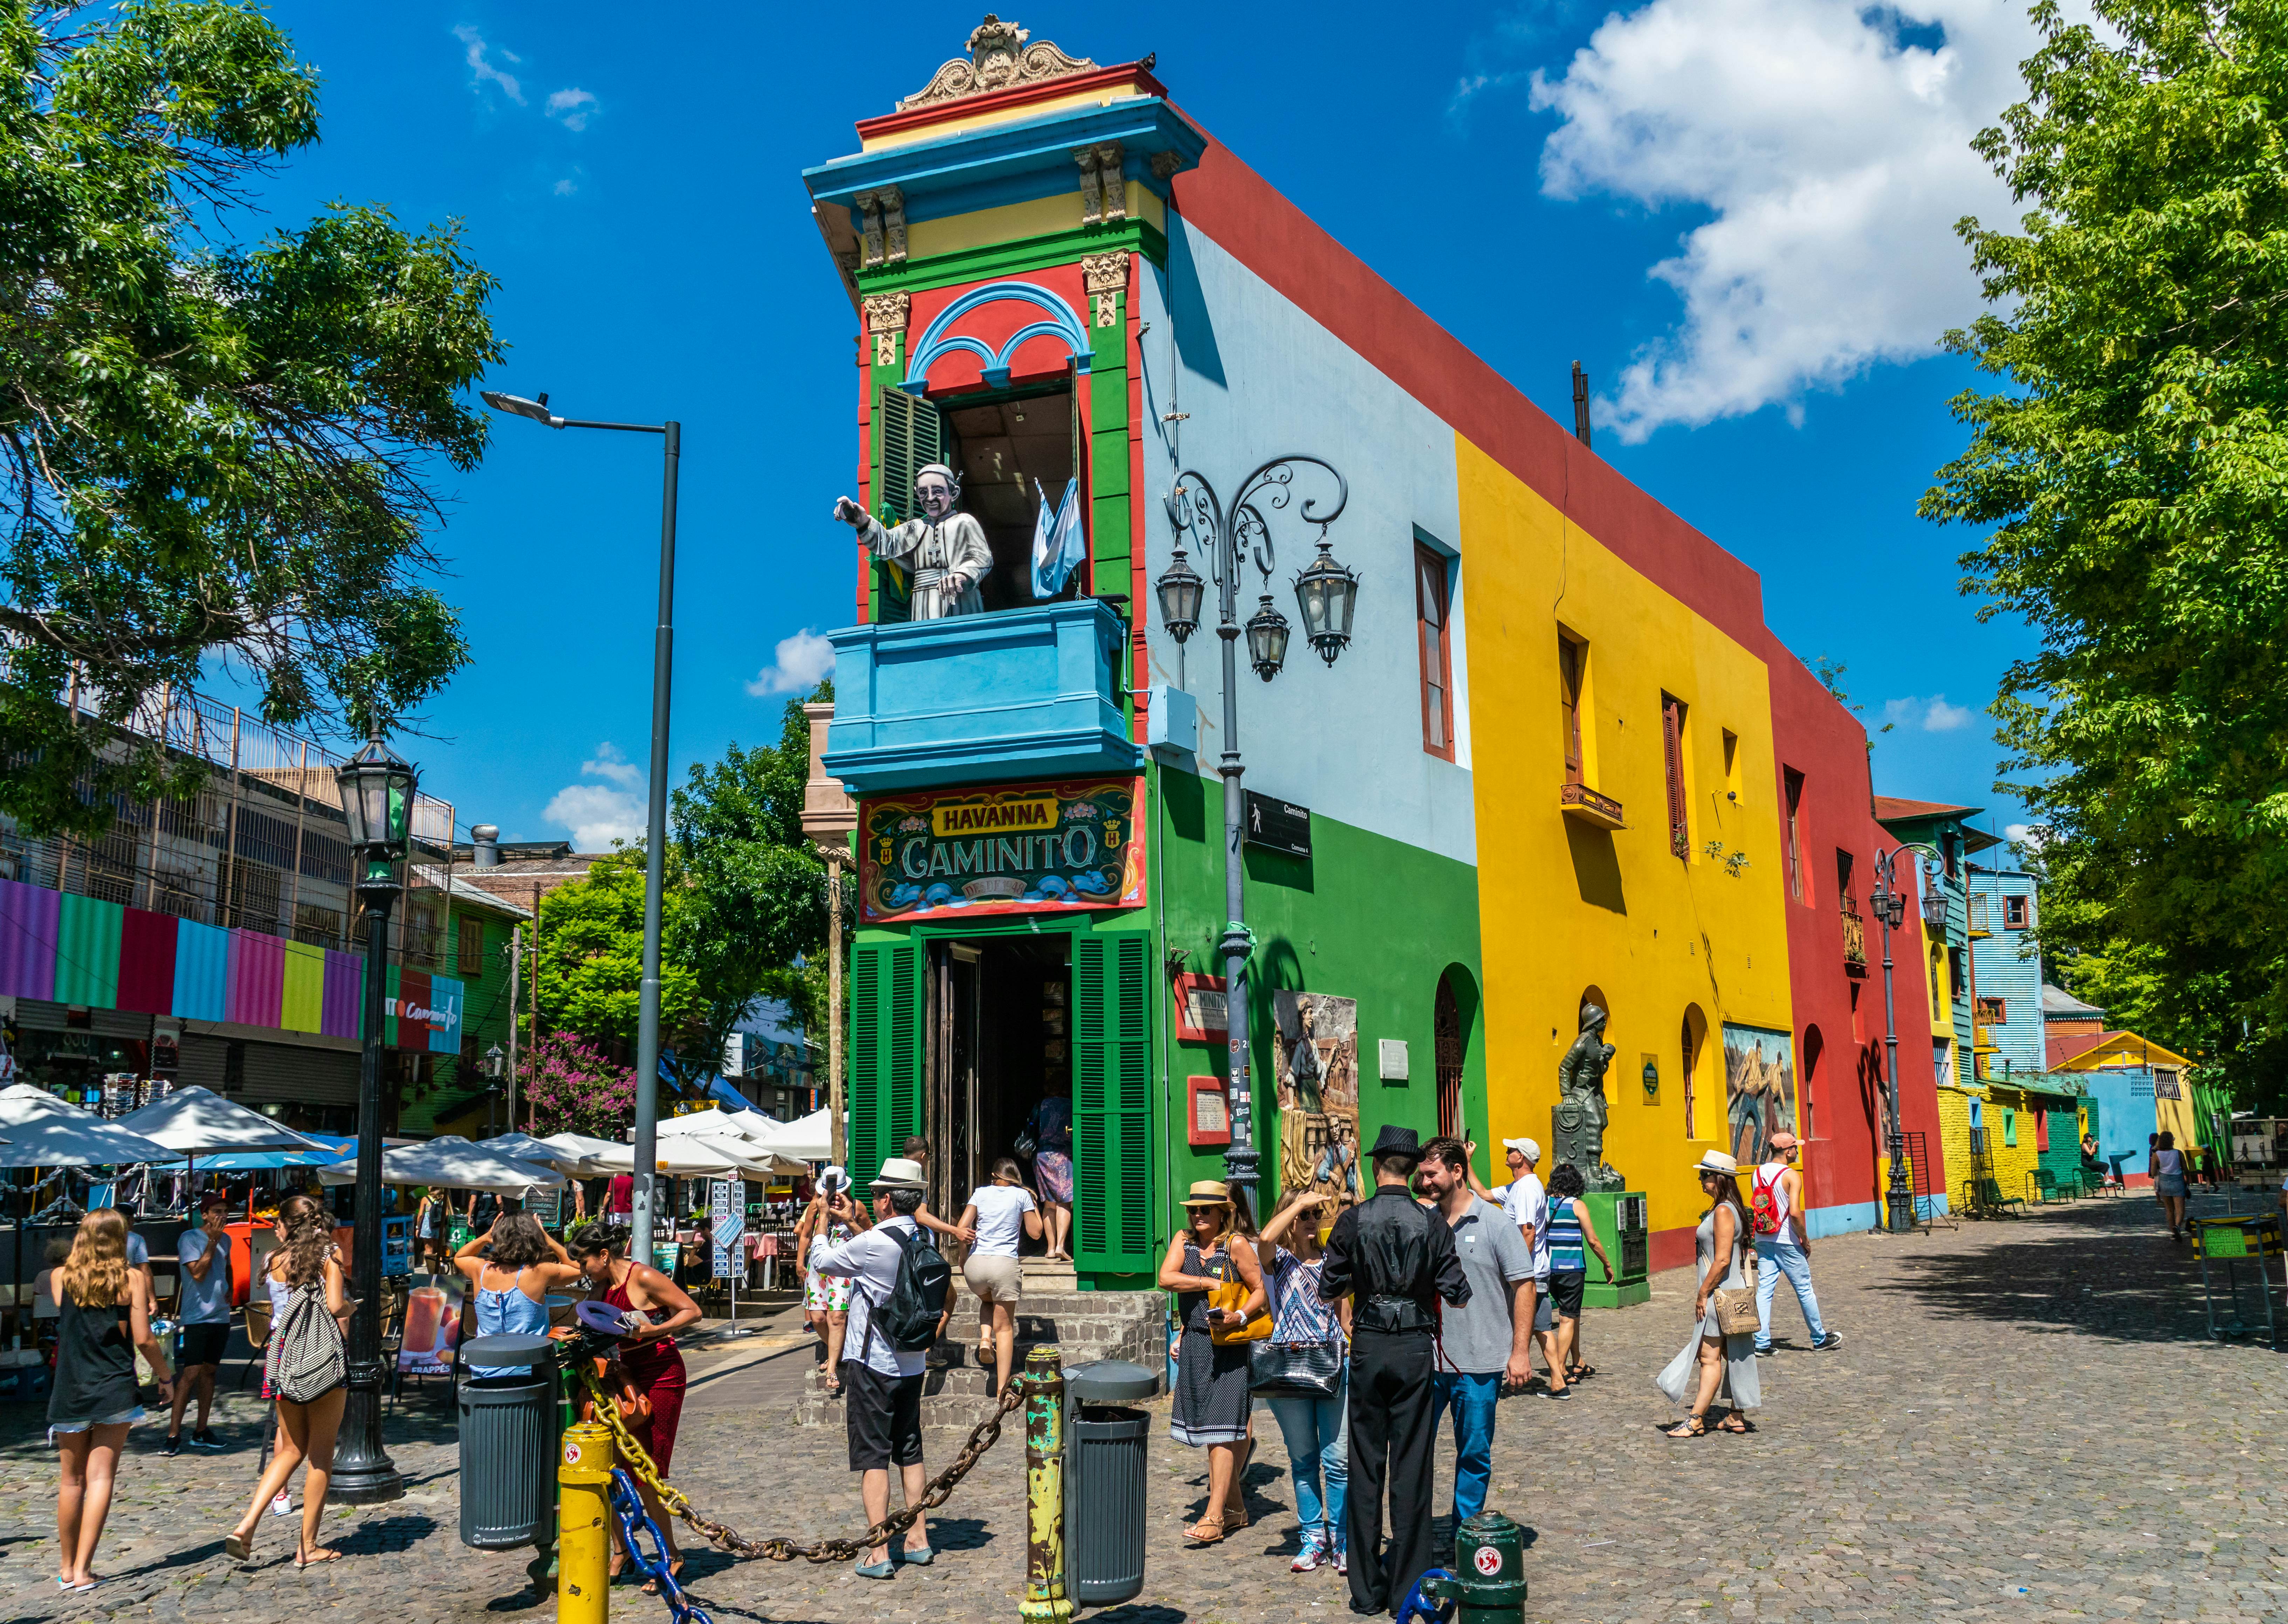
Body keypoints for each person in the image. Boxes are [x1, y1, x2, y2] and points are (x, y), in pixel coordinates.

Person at [1320, 1126, 1471, 1617]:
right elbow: (1457, 1291)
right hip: (1411, 1348)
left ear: (1376, 1164)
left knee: (1365, 1466)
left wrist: (1364, 1279)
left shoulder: (1352, 1219)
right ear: (1412, 1172)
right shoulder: (1431, 1224)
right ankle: (1407, 1587)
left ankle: (1365, 1591)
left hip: (1367, 1346)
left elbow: (1328, 1288)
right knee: (1411, 1467)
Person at [805, 1157, 941, 1578]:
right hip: (913, 1361)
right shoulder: (925, 1234)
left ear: (883, 1200)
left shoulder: (873, 1242)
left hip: (874, 1362)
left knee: (874, 1455)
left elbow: (824, 1261)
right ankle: (918, 1538)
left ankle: (879, 1550)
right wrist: (856, 1222)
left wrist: (825, 1219)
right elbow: (888, 1253)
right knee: (911, 1448)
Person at [568, 1222, 700, 1588]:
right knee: (610, 1466)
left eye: (584, 1262)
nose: (582, 1270)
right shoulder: (600, 1286)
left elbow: (692, 1311)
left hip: (661, 1372)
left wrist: (653, 1330)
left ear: (604, 1255)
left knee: (646, 1471)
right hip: (624, 1375)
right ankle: (622, 1547)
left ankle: (671, 1555)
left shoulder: (641, 1276)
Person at [49, 1208, 174, 1592]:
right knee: (100, 1476)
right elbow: (143, 1338)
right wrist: (166, 1377)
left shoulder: (61, 1277)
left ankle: (67, 1568)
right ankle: (86, 1569)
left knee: (70, 1480)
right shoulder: (132, 1279)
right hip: (114, 1384)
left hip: (70, 1386)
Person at [1418, 1136, 1535, 1544]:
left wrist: (1520, 1352)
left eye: (1432, 1174)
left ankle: (1463, 1538)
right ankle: (1416, 1534)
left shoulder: (1495, 1222)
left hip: (1480, 1362)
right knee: (1415, 1452)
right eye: (1421, 1174)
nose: (1426, 1181)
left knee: (1473, 1455)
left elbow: (1524, 1285)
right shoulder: (1425, 1221)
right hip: (1427, 1361)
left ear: (1456, 1170)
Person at [226, 1194, 347, 1567]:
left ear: (285, 1224)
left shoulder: (273, 1259)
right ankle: (307, 1546)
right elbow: (337, 1305)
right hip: (320, 1357)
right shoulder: (330, 1255)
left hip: (281, 1358)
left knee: (290, 1448)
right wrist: (354, 1305)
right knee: (321, 1455)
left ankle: (247, 1523)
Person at [1157, 1180, 1266, 1546]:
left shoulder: (1236, 1244)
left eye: (1206, 1209)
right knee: (1209, 1432)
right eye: (1194, 1209)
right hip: (1195, 1346)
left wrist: (1239, 1315)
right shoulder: (1183, 1240)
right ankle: (1236, 1509)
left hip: (1230, 1348)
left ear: (1224, 1212)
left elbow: (1261, 1292)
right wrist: (1206, 1282)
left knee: (1220, 1431)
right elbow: (1166, 1277)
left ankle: (1215, 1514)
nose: (1199, 1215)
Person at [1254, 1190, 1349, 1574]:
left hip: (1331, 1365)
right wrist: (1295, 1204)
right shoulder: (1278, 1260)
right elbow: (1264, 1239)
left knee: (1338, 1460)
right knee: (1304, 1459)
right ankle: (1313, 1537)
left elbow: (1343, 1318)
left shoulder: (1333, 1261)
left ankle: (1342, 1539)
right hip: (1290, 1366)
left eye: (1315, 1213)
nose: (1311, 1219)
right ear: (1289, 1217)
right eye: (1304, 1214)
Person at [1656, 1152, 1761, 1438]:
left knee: (1708, 1357)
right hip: (1732, 1292)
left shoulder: (1724, 1211)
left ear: (1719, 1179)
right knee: (1734, 1353)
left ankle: (1695, 1420)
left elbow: (1723, 1258)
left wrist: (1703, 1293)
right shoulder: (1730, 1208)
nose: (1700, 1180)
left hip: (1720, 1294)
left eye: (1704, 1175)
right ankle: (1736, 1415)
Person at [1468, 1136, 1566, 1395]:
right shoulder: (1517, 1186)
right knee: (1540, 1326)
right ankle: (1557, 1380)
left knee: (1530, 1326)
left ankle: (1546, 1377)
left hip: (1526, 1273)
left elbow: (1528, 1233)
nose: (1507, 1151)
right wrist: (1467, 1162)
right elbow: (1484, 1194)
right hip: (1533, 1270)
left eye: (1511, 1150)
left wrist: (1516, 1270)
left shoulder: (1524, 1189)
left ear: (1520, 1157)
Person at [452, 1214, 584, 1375]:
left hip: (484, 1370)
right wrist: (547, 1239)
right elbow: (580, 1268)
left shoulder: (480, 1269)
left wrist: (485, 1238)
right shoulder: (539, 1271)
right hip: (529, 1370)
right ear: (534, 1238)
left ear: (498, 1238)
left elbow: (460, 1256)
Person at [954, 1158, 1041, 1400]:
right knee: (1004, 1328)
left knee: (987, 1300)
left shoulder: (980, 1193)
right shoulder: (1021, 1195)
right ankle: (1002, 1388)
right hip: (1004, 1265)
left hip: (976, 1265)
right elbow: (1036, 1233)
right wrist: (1033, 1203)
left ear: (995, 1176)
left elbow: (962, 1228)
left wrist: (962, 1258)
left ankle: (984, 1337)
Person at [1747, 1132, 1841, 1356]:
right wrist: (1805, 1239)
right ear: (1788, 1151)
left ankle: (1761, 1342)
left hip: (1764, 1238)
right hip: (1787, 1240)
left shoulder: (1757, 1173)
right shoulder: (1791, 1176)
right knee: (1804, 1289)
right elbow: (1795, 1213)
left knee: (1765, 1290)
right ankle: (1819, 1338)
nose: (1797, 1152)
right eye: (1796, 1148)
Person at [165, 1193, 233, 1455]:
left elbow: (225, 1265)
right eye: (217, 1211)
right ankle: (173, 1433)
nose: (222, 1216)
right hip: (197, 1316)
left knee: (210, 1371)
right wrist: (212, 1241)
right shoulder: (190, 1238)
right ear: (204, 1214)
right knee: (190, 1373)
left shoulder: (226, 1239)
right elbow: (198, 1272)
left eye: (225, 1211)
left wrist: (229, 1286)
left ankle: (201, 1430)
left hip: (221, 1315)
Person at [1542, 1163, 1615, 1382]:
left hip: (1548, 1268)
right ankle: (1561, 1369)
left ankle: (1578, 1362)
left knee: (1572, 1316)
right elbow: (1592, 1240)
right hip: (1572, 1270)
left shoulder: (1543, 1204)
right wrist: (1607, 1264)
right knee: (1567, 1318)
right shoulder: (1577, 1205)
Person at [797, 1178, 865, 1395]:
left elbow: (869, 1234)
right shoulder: (815, 1207)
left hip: (844, 1267)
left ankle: (833, 1367)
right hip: (818, 1269)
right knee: (817, 1318)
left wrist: (849, 1219)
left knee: (836, 1318)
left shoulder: (856, 1206)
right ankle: (840, 1350)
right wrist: (800, 1263)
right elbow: (806, 1235)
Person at [1025, 1087, 1076, 1261]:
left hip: (1043, 1155)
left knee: (1049, 1203)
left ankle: (1050, 1248)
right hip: (1064, 1155)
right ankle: (1062, 1245)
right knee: (1064, 1202)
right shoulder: (1072, 1105)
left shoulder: (1041, 1105)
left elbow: (1030, 1125)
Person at [2151, 1131, 2190, 1239]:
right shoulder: (2178, 1153)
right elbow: (2186, 1169)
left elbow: (2153, 1173)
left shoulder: (2156, 1155)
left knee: (2169, 1210)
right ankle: (2178, 1226)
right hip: (2178, 1181)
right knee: (2180, 1209)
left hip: (2164, 1182)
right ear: (2171, 1141)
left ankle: (2173, 1232)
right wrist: (2188, 1181)